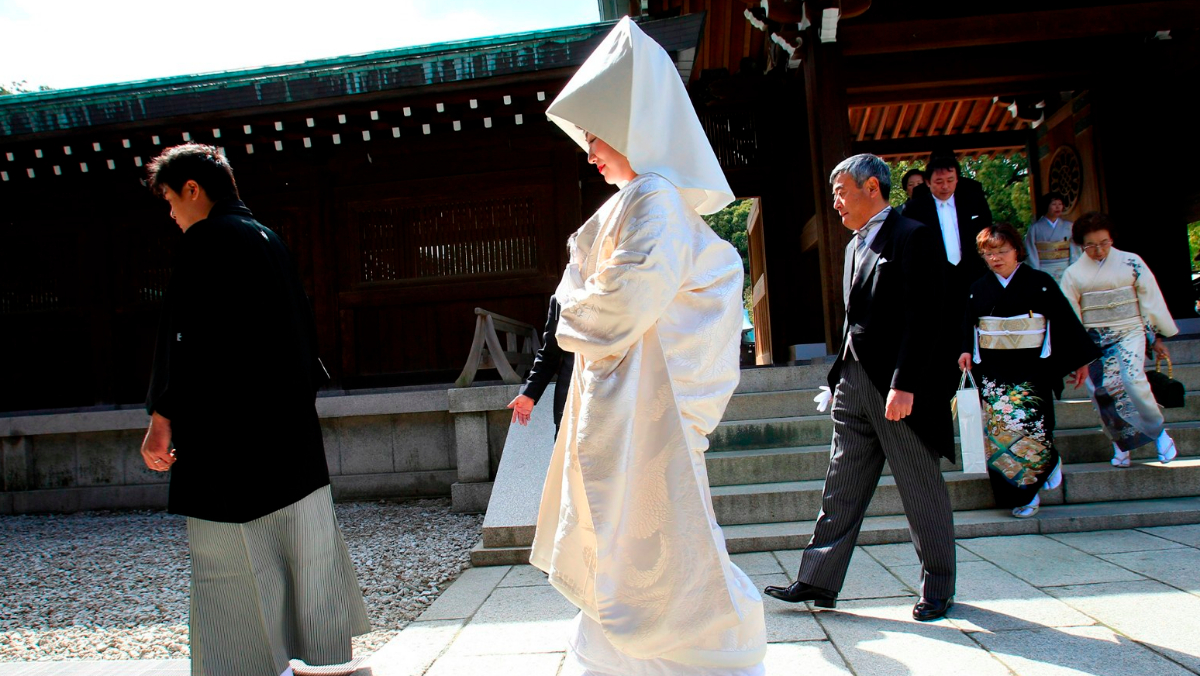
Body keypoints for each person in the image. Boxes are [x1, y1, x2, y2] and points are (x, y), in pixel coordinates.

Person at [529, 17, 767, 676]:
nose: (590, 153)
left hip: (644, 403)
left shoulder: (654, 199)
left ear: (632, 126)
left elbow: (615, 306)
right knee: (635, 537)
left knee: (649, 538)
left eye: (596, 136)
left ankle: (700, 653)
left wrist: (570, 306)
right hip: (633, 400)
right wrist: (580, 300)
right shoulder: (647, 201)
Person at [140, 144, 370, 676]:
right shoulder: (268, 238)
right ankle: (323, 659)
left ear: (193, 189)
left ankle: (250, 669)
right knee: (306, 553)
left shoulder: (207, 240)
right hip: (290, 434)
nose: (171, 214)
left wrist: (162, 416)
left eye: (170, 200)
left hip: (230, 439)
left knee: (234, 564)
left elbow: (188, 338)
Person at [763, 153, 957, 622]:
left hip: (896, 386)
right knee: (841, 483)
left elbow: (925, 319)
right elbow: (855, 322)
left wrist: (905, 384)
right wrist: (838, 379)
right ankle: (819, 578)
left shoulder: (913, 236)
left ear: (872, 187)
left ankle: (938, 586)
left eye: (841, 192)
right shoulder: (853, 246)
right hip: (853, 381)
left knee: (919, 487)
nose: (835, 203)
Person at [958, 223, 1099, 518]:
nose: (995, 258)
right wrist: (965, 350)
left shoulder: (1040, 282)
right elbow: (968, 324)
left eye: (1002, 251)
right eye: (988, 253)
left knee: (1033, 426)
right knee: (1000, 431)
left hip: (1032, 367)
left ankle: (1030, 493)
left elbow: (1064, 320)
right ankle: (1019, 488)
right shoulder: (977, 288)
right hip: (993, 369)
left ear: (1016, 250)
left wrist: (1080, 360)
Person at [1059, 212, 1180, 467]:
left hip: (1130, 329)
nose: (1099, 250)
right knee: (1102, 392)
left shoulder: (1131, 262)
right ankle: (1120, 443)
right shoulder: (1072, 274)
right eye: (1091, 245)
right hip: (1094, 338)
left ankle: (1159, 432)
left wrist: (1155, 337)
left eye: (1104, 243)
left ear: (1111, 238)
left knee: (1132, 379)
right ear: (1081, 245)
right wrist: (1077, 354)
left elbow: (1150, 299)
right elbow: (1070, 316)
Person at [507, 296, 574, 435]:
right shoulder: (562, 297)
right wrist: (529, 393)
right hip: (572, 397)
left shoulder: (619, 292)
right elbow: (550, 354)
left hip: (615, 394)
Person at [1024, 191, 1078, 283]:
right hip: (1044, 268)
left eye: (1060, 204)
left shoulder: (1069, 226)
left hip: (1065, 267)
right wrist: (1036, 271)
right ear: (1046, 206)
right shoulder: (1035, 228)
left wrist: (1073, 266)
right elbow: (1030, 250)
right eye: (1054, 204)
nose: (1058, 207)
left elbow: (1075, 248)